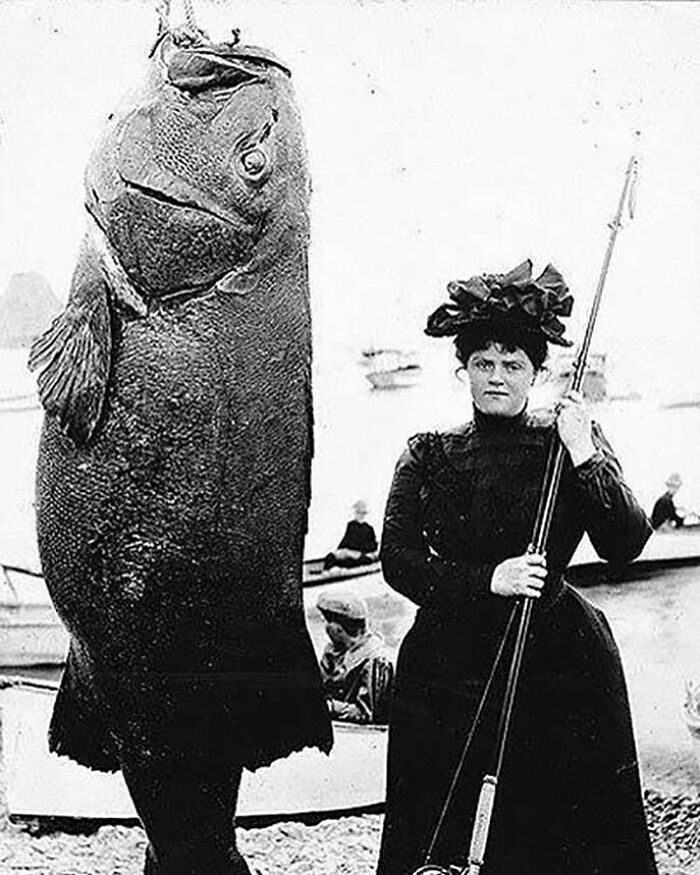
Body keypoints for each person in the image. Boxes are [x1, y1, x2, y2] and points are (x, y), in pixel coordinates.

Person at [376, 260, 657, 875]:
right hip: (451, 663)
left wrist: (586, 454)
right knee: (441, 826)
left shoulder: (569, 442)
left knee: (562, 828)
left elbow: (627, 542)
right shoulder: (428, 454)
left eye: (512, 365)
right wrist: (488, 580)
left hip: (559, 659)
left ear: (537, 372)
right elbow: (397, 561)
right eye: (483, 363)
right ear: (464, 371)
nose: (497, 378)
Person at [317, 590, 394, 724]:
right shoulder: (333, 651)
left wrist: (330, 707)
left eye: (328, 621)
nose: (326, 627)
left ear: (338, 628)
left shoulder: (374, 659)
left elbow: (367, 713)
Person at [323, 499, 379, 569]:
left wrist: (356, 553)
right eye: (357, 512)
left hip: (360, 556)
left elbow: (372, 547)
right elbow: (345, 541)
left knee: (359, 560)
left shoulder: (369, 529)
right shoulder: (351, 525)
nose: (359, 515)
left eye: (361, 513)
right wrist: (340, 551)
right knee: (331, 556)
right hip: (349, 554)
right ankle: (326, 572)